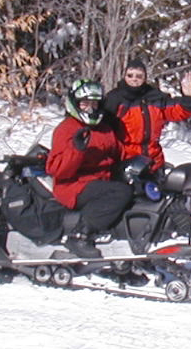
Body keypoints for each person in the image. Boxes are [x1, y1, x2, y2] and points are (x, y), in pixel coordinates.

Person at [46, 79, 134, 258]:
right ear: (75, 104)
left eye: (95, 104)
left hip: (100, 182)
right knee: (119, 193)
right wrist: (76, 150)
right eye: (85, 104)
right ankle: (80, 234)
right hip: (73, 186)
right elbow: (57, 170)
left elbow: (119, 153)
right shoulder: (67, 129)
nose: (91, 109)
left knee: (137, 189)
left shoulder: (104, 129)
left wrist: (142, 164)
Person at [104, 58, 191, 178]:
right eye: (130, 75)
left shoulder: (155, 97)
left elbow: (178, 111)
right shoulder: (115, 99)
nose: (134, 79)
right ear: (124, 76)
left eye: (139, 76)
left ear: (145, 78)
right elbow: (103, 129)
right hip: (126, 161)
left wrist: (189, 98)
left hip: (154, 161)